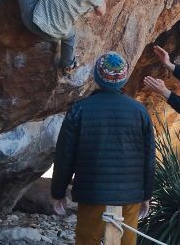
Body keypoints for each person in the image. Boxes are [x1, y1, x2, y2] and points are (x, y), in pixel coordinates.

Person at [51, 52, 155, 245]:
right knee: (126, 241)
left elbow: (65, 155)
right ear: (123, 79)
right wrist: (146, 195)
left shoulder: (80, 109)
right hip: (130, 195)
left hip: (93, 192)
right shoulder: (140, 111)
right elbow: (149, 157)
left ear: (97, 78)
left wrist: (58, 192)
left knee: (87, 240)